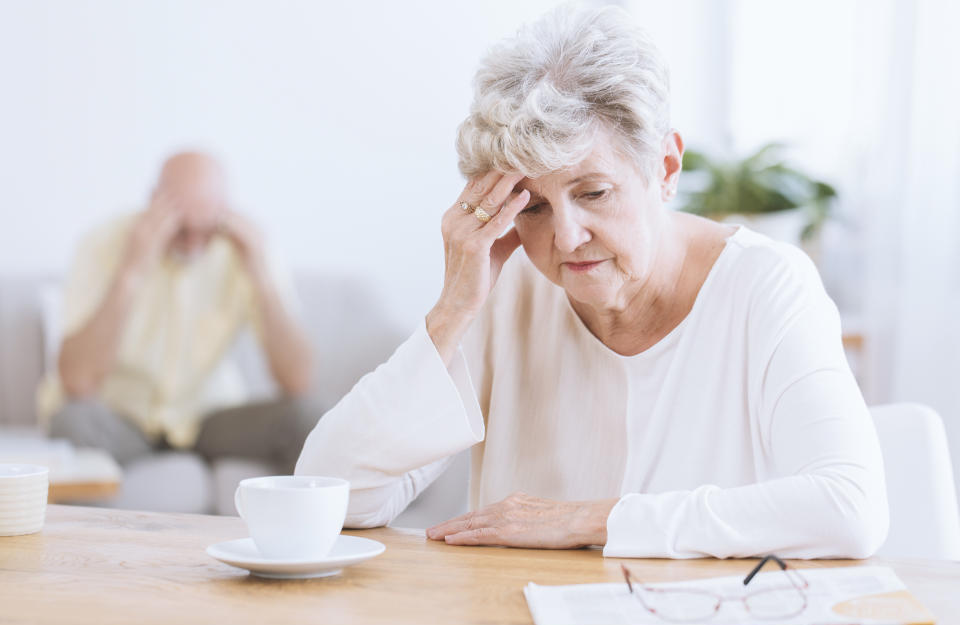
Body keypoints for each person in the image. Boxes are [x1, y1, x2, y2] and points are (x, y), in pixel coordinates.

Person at [295, 6, 889, 558]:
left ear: (665, 169)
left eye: (594, 193)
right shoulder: (509, 290)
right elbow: (333, 496)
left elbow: (850, 508)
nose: (567, 237)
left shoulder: (766, 285)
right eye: (533, 207)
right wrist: (452, 309)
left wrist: (591, 520)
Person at [39, 151, 319, 474]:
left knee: (308, 417)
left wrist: (261, 276)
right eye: (182, 229)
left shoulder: (246, 249)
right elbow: (77, 381)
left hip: (207, 420)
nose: (193, 245)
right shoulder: (103, 243)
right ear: (154, 201)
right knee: (71, 422)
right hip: (123, 419)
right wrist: (131, 271)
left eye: (206, 230)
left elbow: (299, 381)